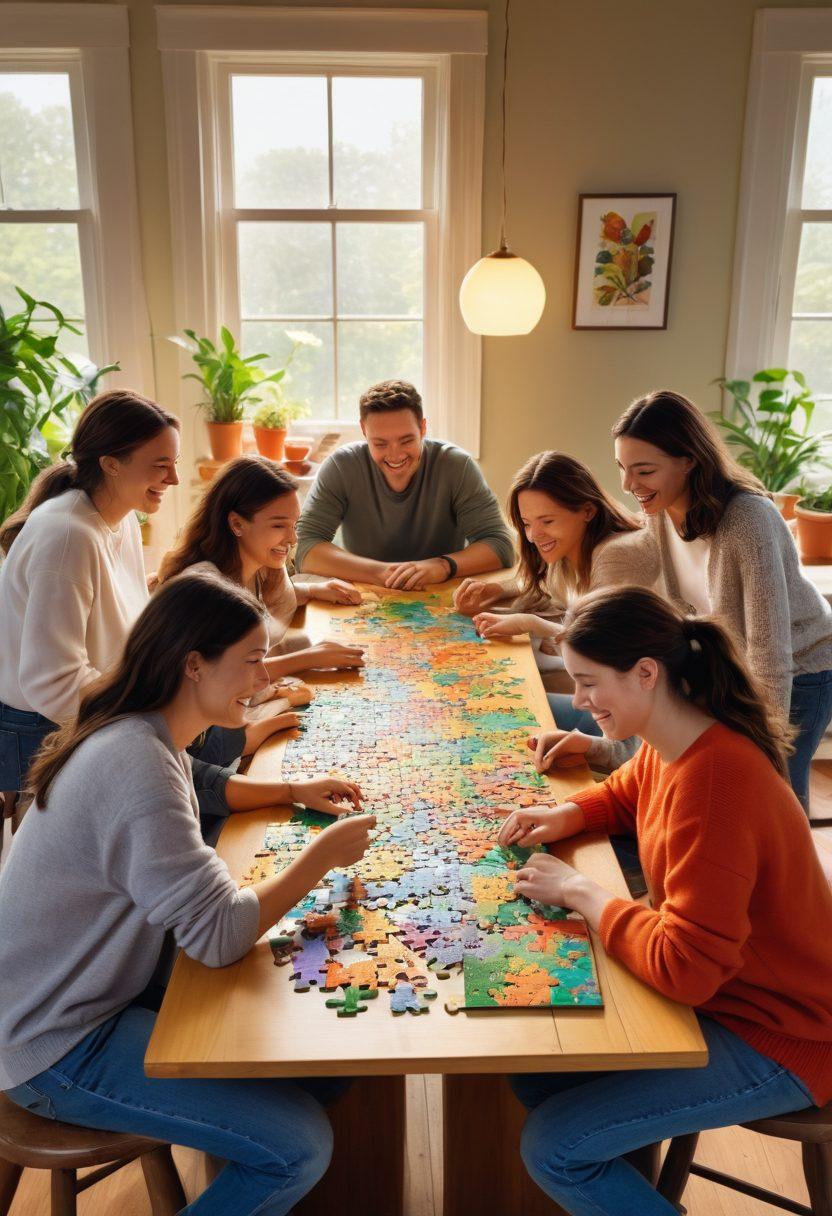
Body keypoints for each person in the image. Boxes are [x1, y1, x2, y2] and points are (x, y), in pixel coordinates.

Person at [0, 573, 375, 1216]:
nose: (264, 681)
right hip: (52, 1043)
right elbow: (219, 935)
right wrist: (320, 858)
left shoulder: (142, 731)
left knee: (322, 1055)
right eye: (252, 662)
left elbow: (202, 816)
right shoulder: (134, 760)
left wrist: (289, 793)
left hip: (95, 994)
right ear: (193, 666)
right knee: (298, 1148)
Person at [498, 585, 832, 1216]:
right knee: (536, 1068)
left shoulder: (718, 783)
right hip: (731, 997)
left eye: (589, 682)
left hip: (784, 1032)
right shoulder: (675, 738)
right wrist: (566, 812)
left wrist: (582, 893)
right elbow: (629, 792)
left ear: (646, 673)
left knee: (555, 1148)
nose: (578, 701)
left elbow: (686, 969)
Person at [613, 388, 832, 812]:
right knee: (732, 793)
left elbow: (770, 648)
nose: (628, 485)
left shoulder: (748, 520)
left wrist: (765, 743)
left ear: (689, 460)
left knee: (777, 797)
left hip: (801, 669)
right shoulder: (661, 512)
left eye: (643, 470)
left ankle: (796, 877)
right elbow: (615, 562)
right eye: (621, 468)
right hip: (743, 668)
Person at [157, 458, 367, 819]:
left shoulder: (258, 571)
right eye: (279, 525)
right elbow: (217, 691)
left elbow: (268, 610)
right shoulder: (205, 588)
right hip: (200, 745)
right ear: (236, 524)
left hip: (221, 733)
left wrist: (313, 590)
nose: (292, 538)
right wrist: (307, 661)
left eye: (295, 524)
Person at [0, 390, 180, 798]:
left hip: (91, 707)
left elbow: (122, 627)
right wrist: (146, 715)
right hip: (44, 729)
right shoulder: (68, 536)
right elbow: (52, 684)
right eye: (160, 465)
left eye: (175, 463)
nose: (173, 479)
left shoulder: (120, 518)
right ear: (111, 465)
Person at [453, 451, 659, 771]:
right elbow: (546, 584)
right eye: (526, 523)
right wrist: (497, 590)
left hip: (632, 732)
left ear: (587, 510)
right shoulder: (573, 550)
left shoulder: (615, 557)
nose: (534, 535)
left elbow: (597, 652)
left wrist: (530, 622)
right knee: (488, 707)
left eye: (547, 521)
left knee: (497, 714)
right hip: (615, 714)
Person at [294, 380, 514, 589]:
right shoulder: (342, 466)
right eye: (380, 443)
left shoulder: (456, 466)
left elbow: (501, 545)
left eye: (407, 440)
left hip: (442, 596)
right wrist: (381, 573)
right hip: (365, 596)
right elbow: (305, 548)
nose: (395, 455)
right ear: (364, 430)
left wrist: (443, 565)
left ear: (423, 427)